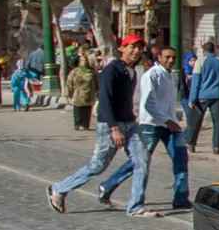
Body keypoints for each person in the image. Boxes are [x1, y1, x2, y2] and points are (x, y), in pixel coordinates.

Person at [47, 37, 149, 214]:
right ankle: (59, 188)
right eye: (132, 47)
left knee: (142, 160)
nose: (136, 51)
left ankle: (135, 207)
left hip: (129, 123)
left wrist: (132, 117)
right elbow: (105, 101)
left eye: (140, 48)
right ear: (122, 48)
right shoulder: (112, 70)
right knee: (98, 165)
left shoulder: (130, 71)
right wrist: (114, 128)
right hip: (111, 125)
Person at [105, 44, 191, 218]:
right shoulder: (150, 75)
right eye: (167, 57)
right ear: (158, 57)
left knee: (181, 159)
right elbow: (148, 103)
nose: (170, 61)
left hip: (170, 125)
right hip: (151, 125)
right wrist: (166, 120)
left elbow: (169, 102)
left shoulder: (172, 77)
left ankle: (181, 196)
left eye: (173, 58)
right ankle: (108, 186)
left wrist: (173, 120)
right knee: (139, 162)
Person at [185, 41, 219, 154]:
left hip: (202, 96)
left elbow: (195, 82)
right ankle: (216, 147)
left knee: (196, 120)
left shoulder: (200, 62)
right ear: (214, 51)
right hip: (218, 95)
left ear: (204, 51)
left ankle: (191, 144)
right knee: (218, 121)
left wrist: (192, 99)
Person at [67, 51, 99, 131]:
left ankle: (85, 124)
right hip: (78, 94)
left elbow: (96, 82)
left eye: (85, 61)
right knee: (78, 110)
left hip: (89, 94)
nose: (84, 62)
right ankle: (77, 124)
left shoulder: (91, 72)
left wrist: (97, 91)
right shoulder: (75, 71)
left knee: (87, 110)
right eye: (82, 61)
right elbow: (69, 82)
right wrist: (68, 93)